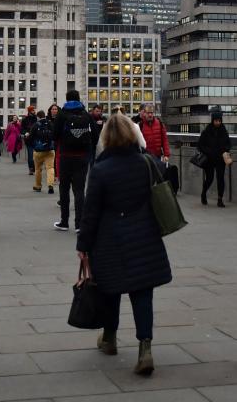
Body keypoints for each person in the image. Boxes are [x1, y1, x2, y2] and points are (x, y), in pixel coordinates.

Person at [76, 113, 172, 376]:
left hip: (109, 239)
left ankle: (109, 338)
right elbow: (164, 176)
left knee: (110, 290)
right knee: (142, 294)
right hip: (144, 237)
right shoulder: (146, 163)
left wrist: (83, 245)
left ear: (105, 138)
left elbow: (90, 213)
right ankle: (145, 349)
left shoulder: (100, 171)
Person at [53, 89, 96, 232]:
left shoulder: (62, 114)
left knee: (64, 189)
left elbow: (54, 135)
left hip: (65, 156)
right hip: (82, 157)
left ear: (66, 99)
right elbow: (95, 136)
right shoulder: (86, 115)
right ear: (78, 99)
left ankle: (64, 222)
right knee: (79, 191)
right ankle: (79, 224)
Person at [197, 110, 230, 207]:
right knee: (210, 178)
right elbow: (200, 145)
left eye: (219, 121)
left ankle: (220, 199)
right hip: (209, 160)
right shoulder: (206, 131)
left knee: (220, 179)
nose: (218, 122)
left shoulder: (224, 131)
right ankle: (204, 193)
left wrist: (225, 150)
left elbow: (228, 144)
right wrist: (209, 151)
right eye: (216, 121)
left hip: (220, 159)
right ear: (212, 121)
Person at [27, 109, 56, 193]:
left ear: (38, 117)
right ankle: (50, 185)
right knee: (50, 168)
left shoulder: (36, 125)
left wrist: (33, 145)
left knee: (38, 169)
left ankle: (38, 186)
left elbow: (31, 138)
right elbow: (54, 135)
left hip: (38, 151)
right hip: (50, 150)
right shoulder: (50, 123)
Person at [20, 106, 38, 175]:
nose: (34, 111)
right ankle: (31, 168)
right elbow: (22, 129)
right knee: (30, 155)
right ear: (30, 111)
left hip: (36, 139)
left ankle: (35, 167)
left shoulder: (36, 118)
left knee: (36, 155)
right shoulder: (25, 119)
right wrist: (25, 133)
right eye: (33, 110)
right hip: (28, 139)